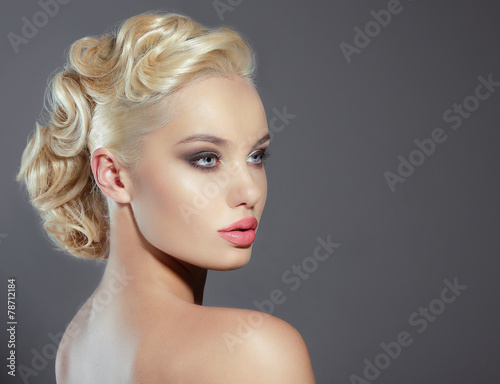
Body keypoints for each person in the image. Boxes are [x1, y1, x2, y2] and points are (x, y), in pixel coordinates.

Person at [16, 11, 315, 383]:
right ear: (113, 175)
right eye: (206, 159)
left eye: (256, 156)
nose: (250, 192)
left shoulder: (75, 347)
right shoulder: (255, 351)